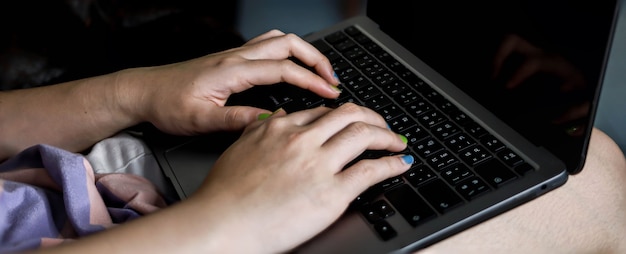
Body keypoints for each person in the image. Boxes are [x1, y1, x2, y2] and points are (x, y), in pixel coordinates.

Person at [1, 30, 625, 254]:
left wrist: (134, 93)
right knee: (593, 178)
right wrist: (228, 220)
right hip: (187, 236)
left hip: (84, 188)